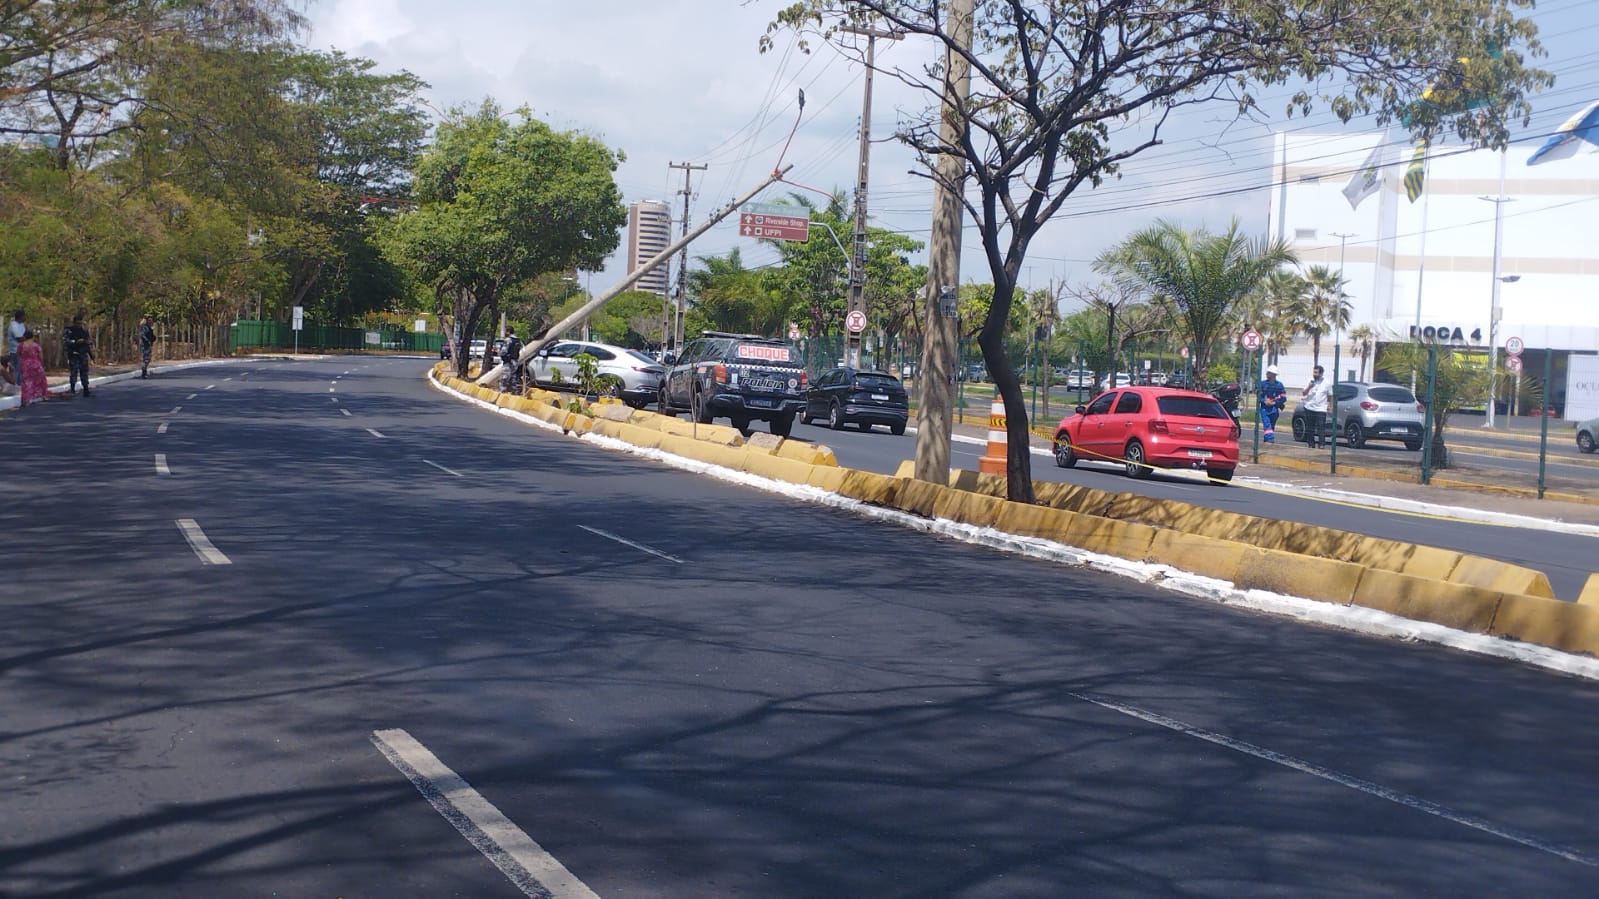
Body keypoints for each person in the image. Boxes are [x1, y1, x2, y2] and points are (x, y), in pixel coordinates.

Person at [1302, 364, 1332, 448]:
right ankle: (1311, 444)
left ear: (1321, 373)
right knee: (1310, 427)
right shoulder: (1310, 381)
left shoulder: (1326, 383)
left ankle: (1321, 444)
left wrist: (1330, 407)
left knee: (1321, 426)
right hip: (1309, 407)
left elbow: (1330, 396)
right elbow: (1304, 393)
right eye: (1314, 372)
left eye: (1316, 373)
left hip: (1321, 408)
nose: (1314, 374)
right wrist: (1309, 386)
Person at [63, 314, 93, 396]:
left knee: (84, 372)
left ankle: (86, 389)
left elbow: (88, 342)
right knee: (73, 372)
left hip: (83, 353)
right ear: (74, 322)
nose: (79, 325)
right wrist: (76, 342)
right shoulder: (69, 330)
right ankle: (72, 389)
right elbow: (66, 341)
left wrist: (91, 355)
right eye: (77, 323)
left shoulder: (84, 331)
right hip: (73, 353)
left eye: (80, 323)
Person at [17, 329, 48, 406]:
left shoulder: (20, 345)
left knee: (26, 382)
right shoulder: (36, 345)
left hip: (24, 365)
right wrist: (41, 364)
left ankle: (26, 400)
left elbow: (18, 354)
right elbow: (41, 357)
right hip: (35, 364)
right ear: (32, 337)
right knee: (41, 379)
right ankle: (43, 396)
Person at [1258, 364, 1287, 443]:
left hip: (1274, 409)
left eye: (1269, 372)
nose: (1267, 374)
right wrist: (1264, 401)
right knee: (1267, 424)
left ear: (1274, 374)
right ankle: (1270, 440)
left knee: (1271, 426)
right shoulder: (1262, 384)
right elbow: (1258, 396)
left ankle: (1266, 441)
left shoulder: (1279, 385)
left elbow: (1283, 398)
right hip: (1264, 409)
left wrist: (1274, 402)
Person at [499, 327, 524, 394]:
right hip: (515, 361)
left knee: (504, 378)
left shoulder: (508, 340)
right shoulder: (518, 340)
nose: (504, 333)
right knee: (513, 378)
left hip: (508, 362)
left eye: (505, 331)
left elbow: (503, 352)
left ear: (508, 331)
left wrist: (501, 355)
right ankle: (515, 391)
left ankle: (503, 392)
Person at [5, 309, 25, 394]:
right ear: (20, 316)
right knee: (15, 370)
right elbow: (19, 338)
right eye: (24, 316)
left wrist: (26, 337)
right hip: (15, 351)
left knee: (20, 370)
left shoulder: (21, 325)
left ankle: (20, 387)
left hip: (22, 350)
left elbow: (25, 335)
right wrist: (27, 338)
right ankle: (14, 387)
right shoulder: (14, 325)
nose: (25, 318)